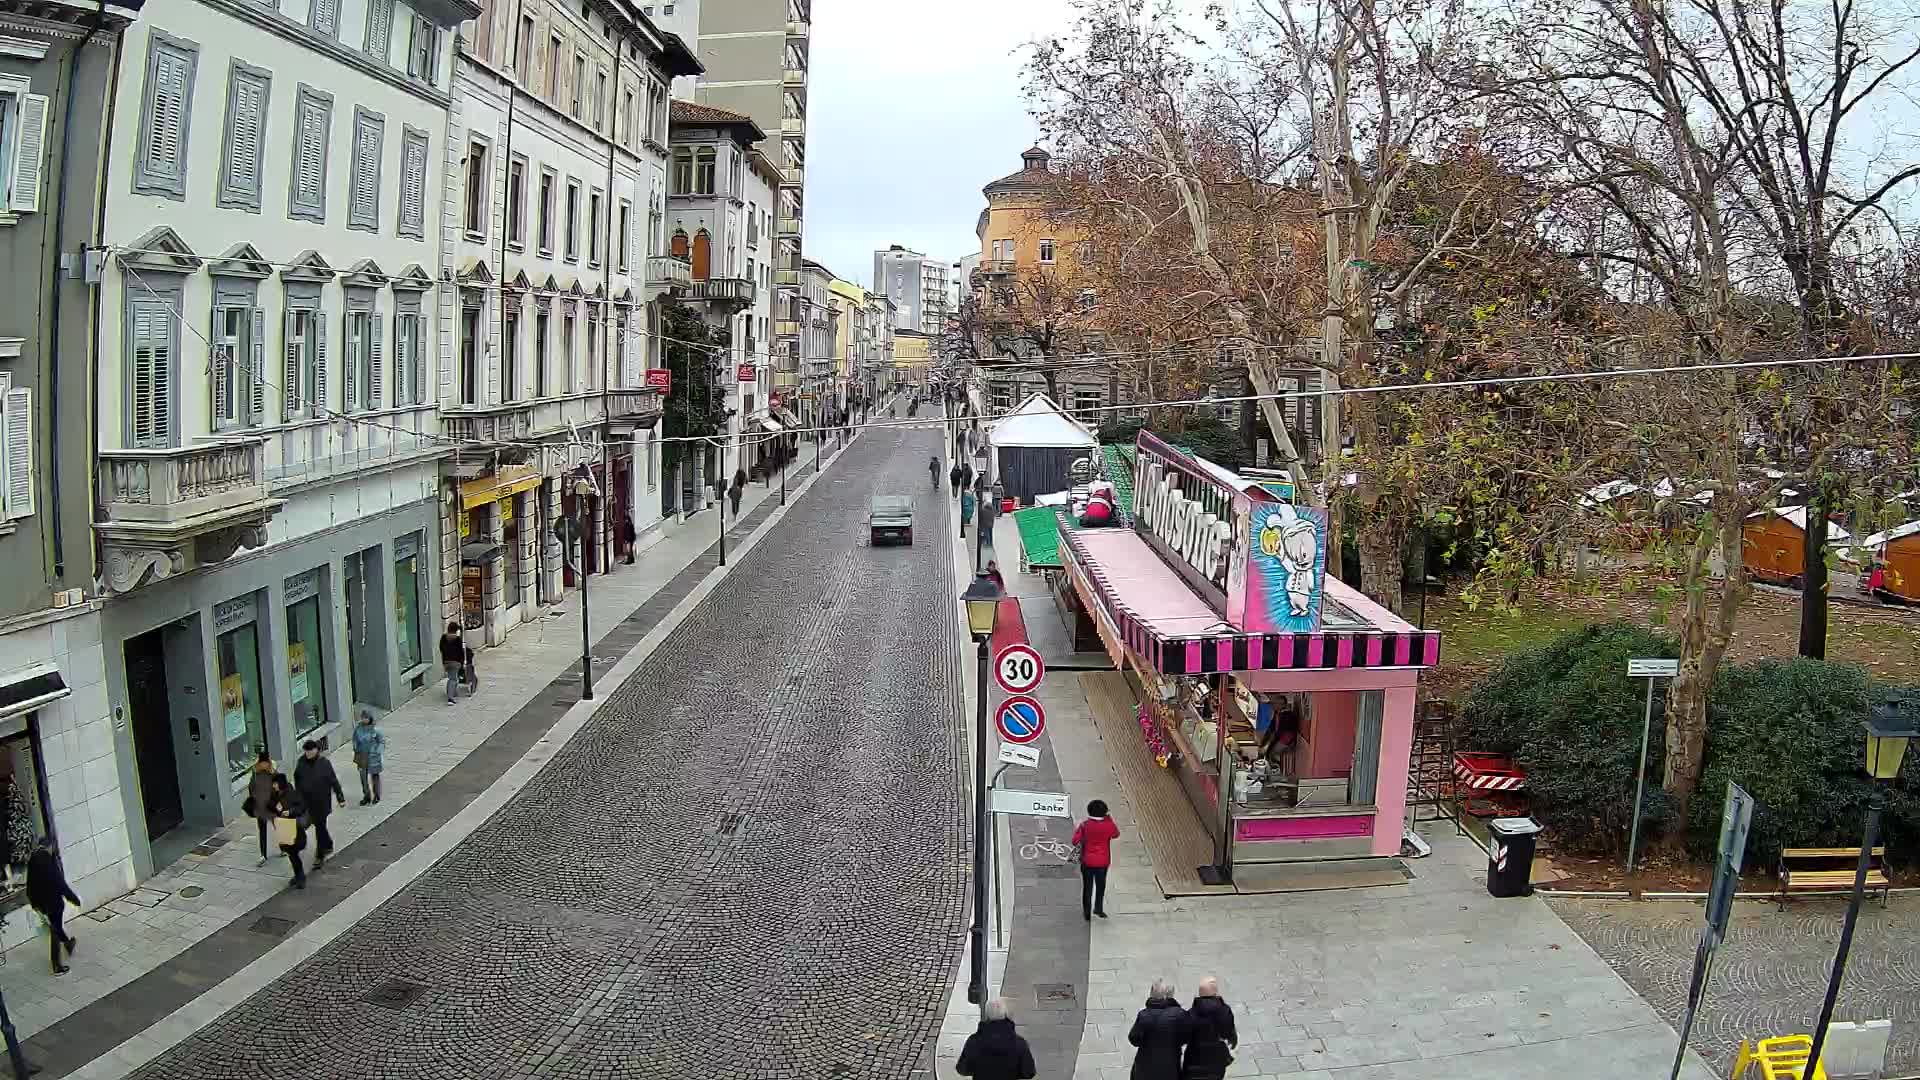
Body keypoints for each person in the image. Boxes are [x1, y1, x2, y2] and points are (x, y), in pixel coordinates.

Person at [27, 838, 79, 975]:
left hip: (42, 903)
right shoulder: (49, 861)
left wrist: (34, 903)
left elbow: (30, 884)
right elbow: (60, 883)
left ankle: (68, 944)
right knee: (55, 930)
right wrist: (73, 898)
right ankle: (57, 966)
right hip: (54, 902)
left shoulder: (33, 860)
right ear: (49, 847)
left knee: (55, 926)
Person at [293, 740, 347, 869]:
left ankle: (320, 855)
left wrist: (340, 797)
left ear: (316, 750)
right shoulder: (301, 764)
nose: (308, 753)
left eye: (310, 751)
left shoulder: (324, 763)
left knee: (320, 827)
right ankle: (328, 844)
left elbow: (333, 780)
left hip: (322, 802)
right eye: (306, 751)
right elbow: (297, 782)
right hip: (307, 803)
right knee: (319, 826)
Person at [956, 997, 1038, 1080]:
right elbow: (1029, 1073)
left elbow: (962, 1069)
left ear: (987, 1016)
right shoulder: (1019, 1043)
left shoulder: (974, 1041)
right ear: (1005, 1015)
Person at [1072, 799, 1121, 920]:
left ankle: (1086, 913)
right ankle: (1098, 909)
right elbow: (1116, 834)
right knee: (1100, 886)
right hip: (1102, 862)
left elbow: (1075, 841)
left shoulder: (1085, 825)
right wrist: (1108, 819)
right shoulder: (1108, 825)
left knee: (1087, 887)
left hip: (1087, 861)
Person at [1129, 980, 1188, 1080]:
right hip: (1170, 1068)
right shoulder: (1180, 1014)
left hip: (1145, 1068)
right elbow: (1186, 1037)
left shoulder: (1144, 1015)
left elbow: (1133, 1039)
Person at [1181, 977, 1238, 1080]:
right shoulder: (1224, 1011)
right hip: (1216, 1060)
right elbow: (1227, 1034)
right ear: (1215, 992)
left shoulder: (1190, 1014)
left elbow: (1185, 1038)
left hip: (1194, 1059)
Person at [269, 773, 309, 890]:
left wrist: (290, 812)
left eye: (275, 783)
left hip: (294, 827)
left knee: (294, 853)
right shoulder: (275, 795)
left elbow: (301, 807)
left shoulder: (291, 793)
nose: (273, 786)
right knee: (291, 854)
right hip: (283, 827)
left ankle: (300, 877)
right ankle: (298, 876)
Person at [246, 750, 277, 863]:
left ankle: (284, 848)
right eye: (262, 762)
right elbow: (251, 788)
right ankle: (263, 854)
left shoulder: (273, 773)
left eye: (266, 762)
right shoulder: (255, 773)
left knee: (278, 826)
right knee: (262, 830)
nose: (264, 764)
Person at [353, 710, 385, 805]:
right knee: (363, 777)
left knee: (375, 776)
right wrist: (355, 748)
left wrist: (377, 751)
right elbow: (355, 739)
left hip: (373, 756)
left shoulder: (375, 729)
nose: (364, 719)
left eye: (366, 718)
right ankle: (366, 796)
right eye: (363, 717)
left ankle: (377, 795)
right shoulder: (358, 728)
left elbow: (381, 742)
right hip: (362, 755)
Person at [440, 621, 466, 704]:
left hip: (446, 661)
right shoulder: (457, 639)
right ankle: (450, 698)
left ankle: (452, 693)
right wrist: (462, 662)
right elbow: (461, 652)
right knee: (453, 679)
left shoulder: (443, 637)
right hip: (455, 662)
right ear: (455, 630)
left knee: (452, 677)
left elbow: (441, 648)